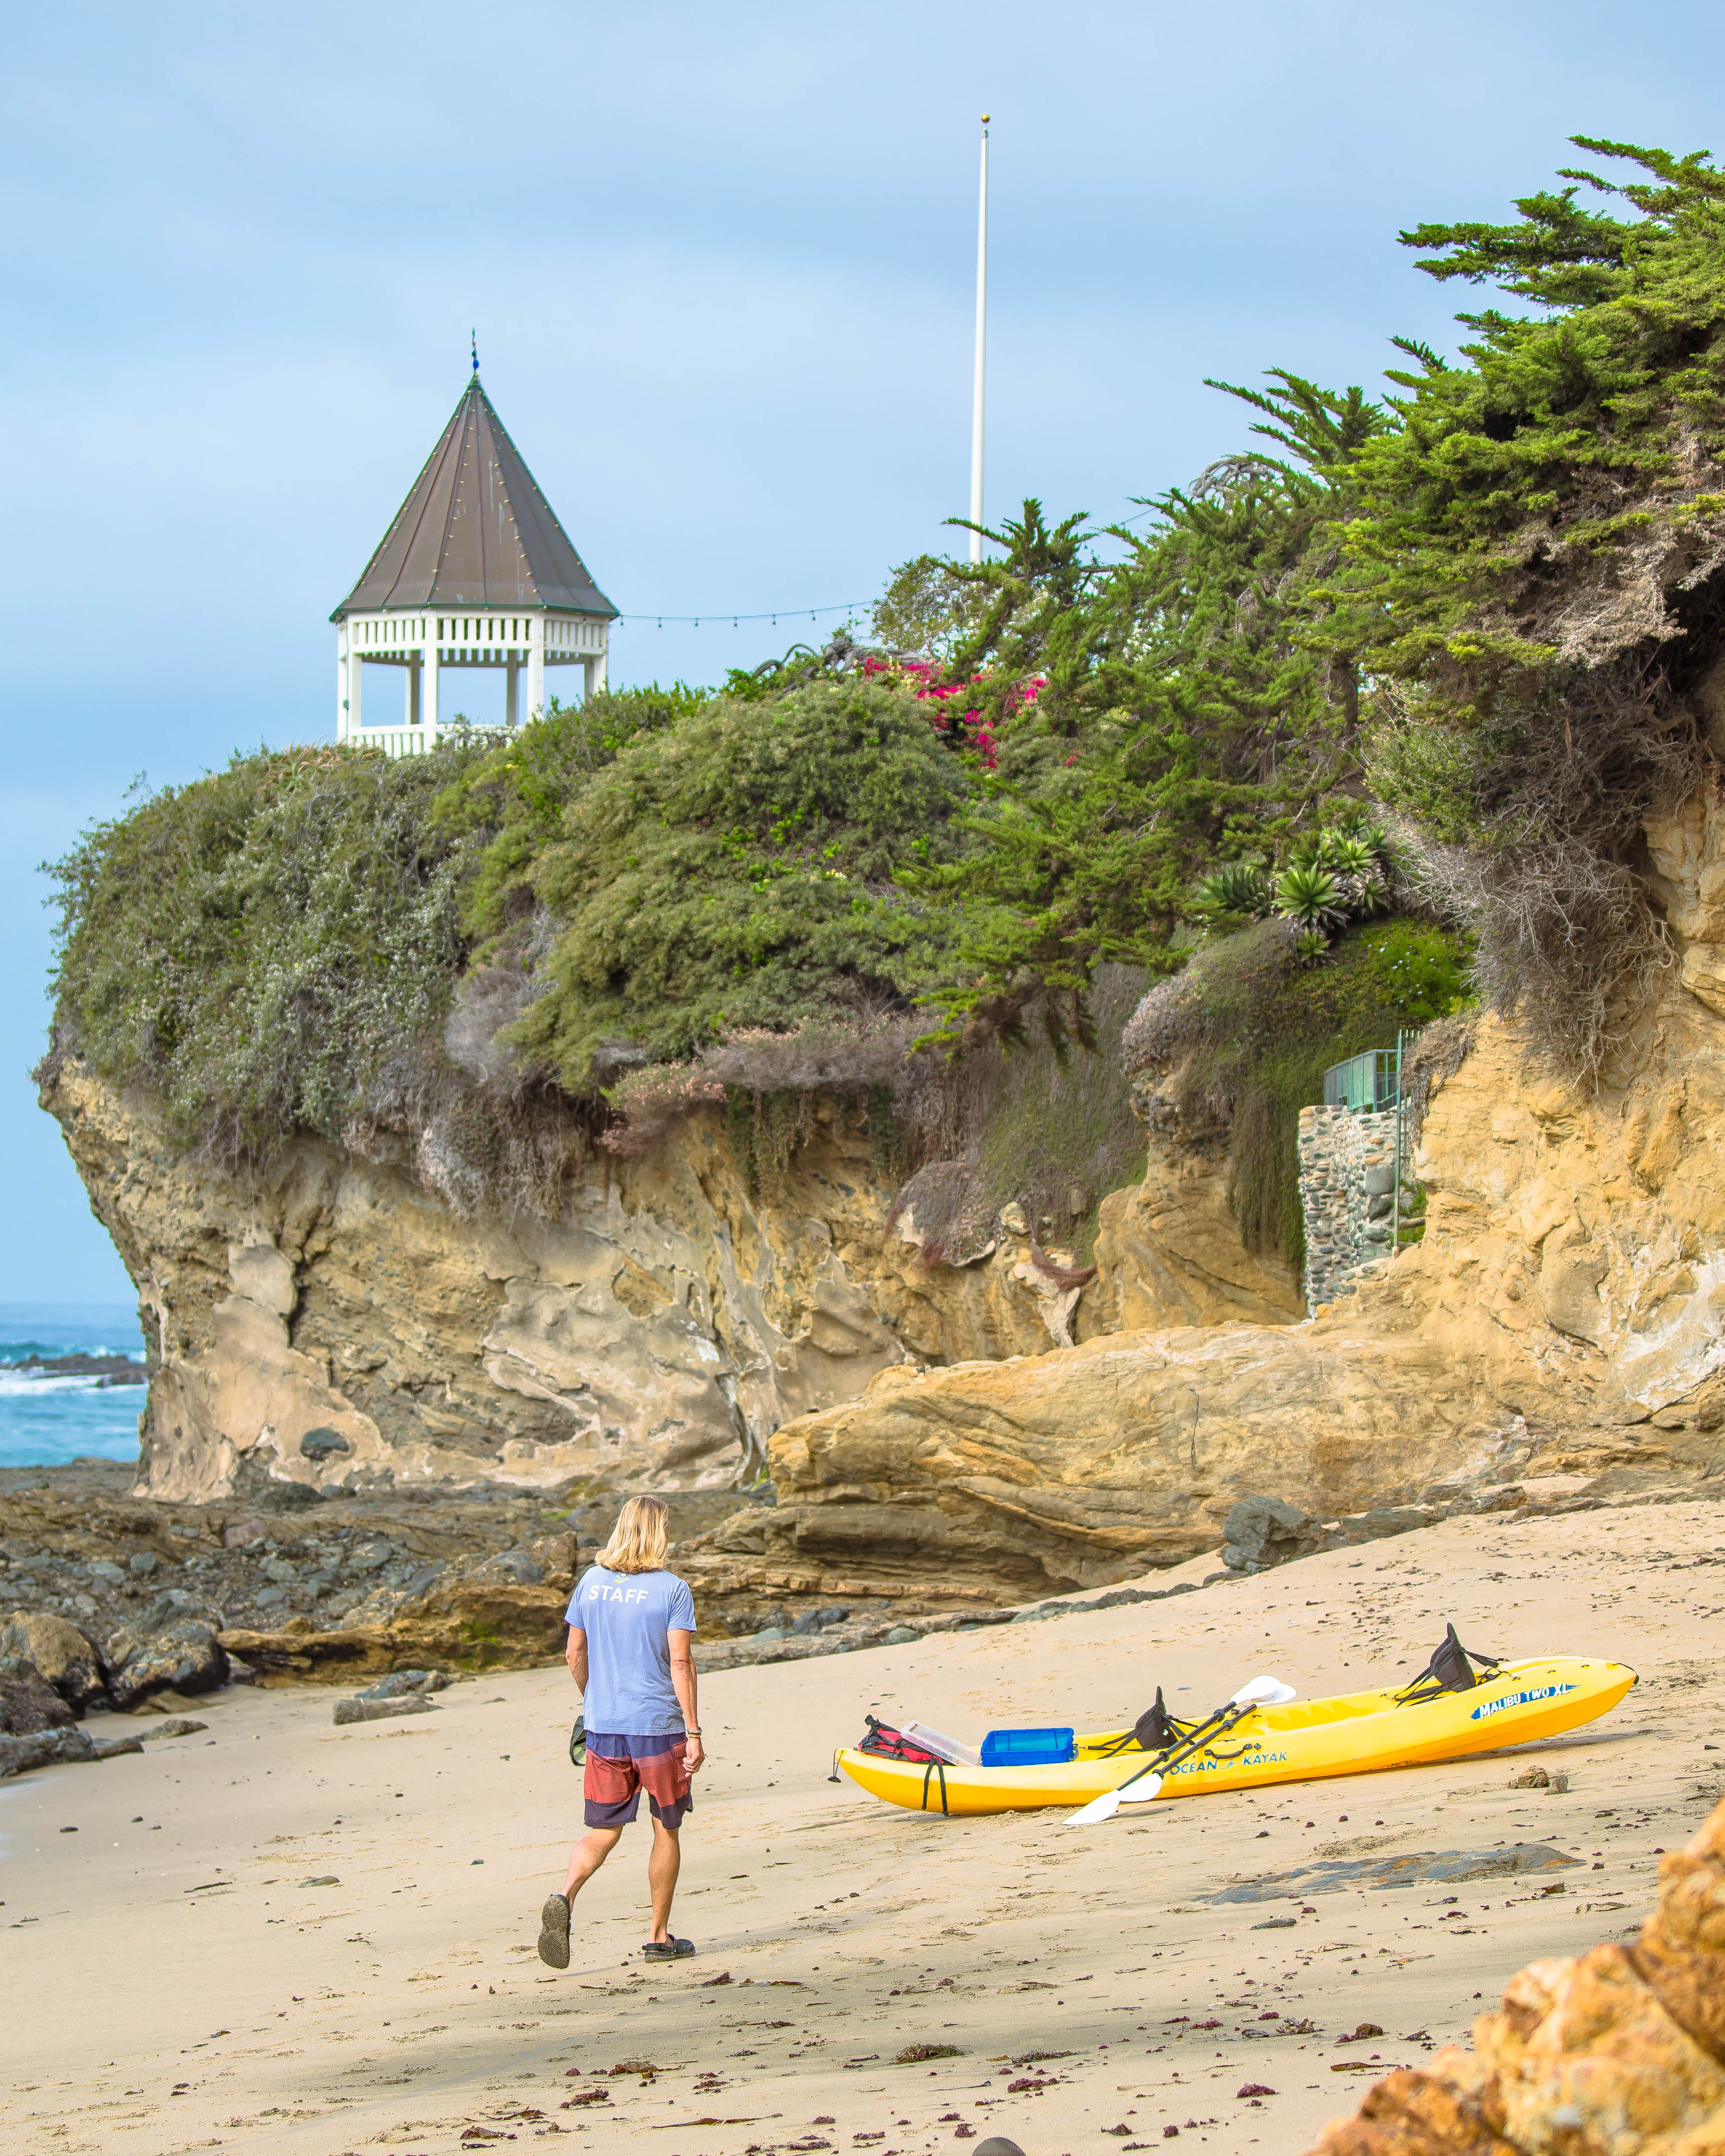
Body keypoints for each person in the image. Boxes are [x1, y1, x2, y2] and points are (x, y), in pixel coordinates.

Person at [536, 1494, 705, 1968]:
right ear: (660, 1532)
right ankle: (658, 1936)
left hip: (604, 1728)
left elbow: (574, 1652)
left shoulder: (590, 1582)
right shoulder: (672, 1589)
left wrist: (592, 1701)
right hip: (657, 1728)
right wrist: (693, 1731)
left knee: (603, 1829)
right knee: (666, 1828)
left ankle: (565, 1897)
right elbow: (680, 1662)